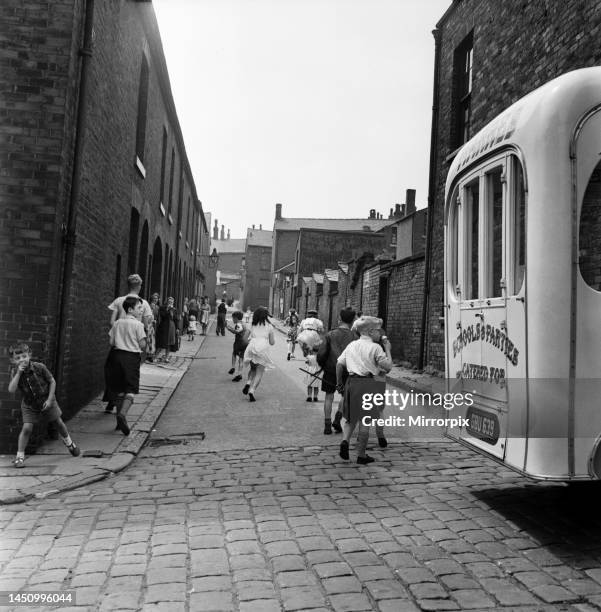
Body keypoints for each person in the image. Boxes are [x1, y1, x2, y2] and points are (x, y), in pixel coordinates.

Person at [8, 343, 81, 467]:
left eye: (24, 356)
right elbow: (11, 389)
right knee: (27, 428)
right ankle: (20, 457)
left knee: (58, 422)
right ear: (13, 361)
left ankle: (70, 444)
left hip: (46, 399)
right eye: (18, 358)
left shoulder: (39, 367)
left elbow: (52, 381)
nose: (22, 360)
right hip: (29, 404)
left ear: (29, 355)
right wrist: (19, 374)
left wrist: (50, 398)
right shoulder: (15, 372)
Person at [336, 316, 392, 464]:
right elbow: (388, 367)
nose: (380, 333)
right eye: (378, 330)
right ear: (371, 331)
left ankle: (345, 442)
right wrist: (388, 349)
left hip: (351, 383)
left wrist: (339, 383)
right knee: (365, 421)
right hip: (368, 384)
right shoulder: (375, 347)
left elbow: (339, 364)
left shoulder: (351, 345)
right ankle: (361, 455)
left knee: (350, 419)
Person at [104, 274, 153, 411]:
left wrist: (118, 329)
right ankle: (121, 410)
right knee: (129, 380)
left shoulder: (119, 300)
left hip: (118, 343)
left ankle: (112, 400)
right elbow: (147, 325)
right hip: (133, 346)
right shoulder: (143, 303)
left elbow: (111, 322)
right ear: (139, 286)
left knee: (114, 373)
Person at [105, 296, 147, 435]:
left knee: (119, 390)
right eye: (139, 308)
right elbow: (142, 344)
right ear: (130, 309)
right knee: (130, 390)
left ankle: (118, 422)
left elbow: (111, 342)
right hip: (131, 358)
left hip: (116, 357)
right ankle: (122, 414)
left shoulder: (117, 323)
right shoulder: (138, 325)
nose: (141, 310)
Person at [317, 306, 356, 434]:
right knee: (345, 396)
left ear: (339, 319)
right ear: (352, 321)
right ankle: (337, 419)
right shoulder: (355, 337)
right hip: (347, 371)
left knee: (329, 396)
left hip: (330, 370)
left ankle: (327, 425)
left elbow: (322, 354)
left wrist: (322, 365)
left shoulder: (330, 334)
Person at [242, 306, 275, 402]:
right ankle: (252, 391)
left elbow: (244, 339)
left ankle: (248, 383)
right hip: (263, 348)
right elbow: (272, 342)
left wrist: (251, 343)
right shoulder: (269, 326)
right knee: (259, 372)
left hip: (252, 346)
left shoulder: (252, 324)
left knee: (252, 368)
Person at [226, 311, 249, 382]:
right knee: (241, 359)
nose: (232, 320)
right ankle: (239, 374)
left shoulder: (238, 324)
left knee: (234, 353)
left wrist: (227, 327)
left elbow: (236, 331)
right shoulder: (244, 323)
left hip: (239, 342)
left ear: (236, 318)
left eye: (233, 318)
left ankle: (233, 367)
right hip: (245, 342)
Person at [155, 296, 179, 363]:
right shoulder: (163, 308)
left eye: (171, 302)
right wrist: (168, 309)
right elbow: (163, 316)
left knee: (169, 343)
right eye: (169, 302)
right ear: (167, 302)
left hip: (172, 327)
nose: (170, 303)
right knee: (162, 342)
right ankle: (155, 356)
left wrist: (177, 328)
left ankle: (167, 357)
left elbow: (176, 319)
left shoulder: (174, 309)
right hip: (164, 326)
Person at [148, 292, 160, 361]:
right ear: (152, 299)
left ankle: (151, 354)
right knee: (150, 339)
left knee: (153, 339)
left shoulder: (157, 307)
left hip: (155, 325)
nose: (155, 299)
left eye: (157, 298)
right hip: (150, 324)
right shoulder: (150, 306)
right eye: (154, 298)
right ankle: (150, 355)